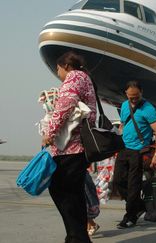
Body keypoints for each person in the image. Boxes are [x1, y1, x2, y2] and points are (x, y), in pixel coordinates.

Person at [42, 51, 96, 243]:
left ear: (66, 66)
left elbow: (66, 104)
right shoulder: (85, 77)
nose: (58, 73)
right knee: (74, 193)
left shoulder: (75, 76)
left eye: (57, 69)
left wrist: (50, 133)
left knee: (60, 189)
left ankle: (77, 237)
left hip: (70, 148)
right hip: (77, 148)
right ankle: (76, 237)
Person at [113, 80, 156, 229]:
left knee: (133, 185)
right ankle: (139, 205)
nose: (134, 99)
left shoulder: (148, 108)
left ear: (141, 92)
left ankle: (130, 217)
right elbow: (123, 124)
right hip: (124, 149)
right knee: (118, 181)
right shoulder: (124, 106)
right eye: (131, 97)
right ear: (126, 94)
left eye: (136, 96)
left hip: (139, 151)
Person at [84, 170, 100, 236]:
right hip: (79, 174)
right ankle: (89, 226)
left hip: (79, 175)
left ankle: (93, 225)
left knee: (83, 207)